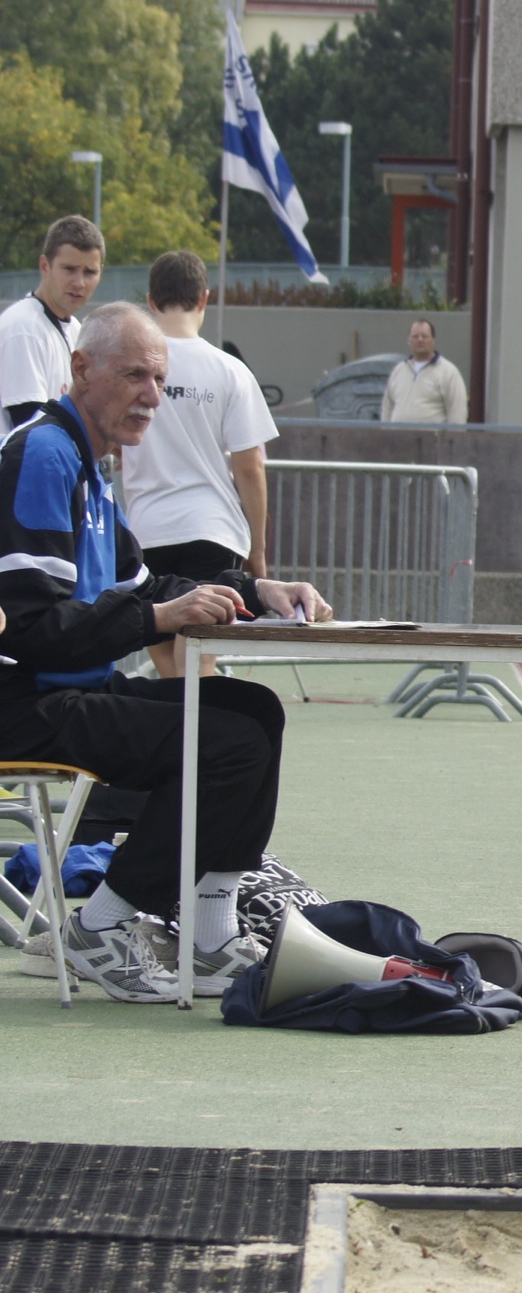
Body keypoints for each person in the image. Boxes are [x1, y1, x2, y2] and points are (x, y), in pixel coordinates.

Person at [0, 303, 331, 1003]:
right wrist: (154, 617)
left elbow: (147, 584)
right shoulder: (44, 455)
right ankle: (101, 926)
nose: (152, 396)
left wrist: (254, 588)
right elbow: (29, 628)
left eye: (159, 378)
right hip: (24, 703)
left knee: (254, 712)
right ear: (80, 370)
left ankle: (209, 935)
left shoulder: (91, 464)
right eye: (135, 376)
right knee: (226, 742)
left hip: (65, 690)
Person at [117, 252, 279, 679]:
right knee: (201, 654)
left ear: (150, 301)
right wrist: (258, 550)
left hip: (148, 526)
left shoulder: (132, 369)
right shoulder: (229, 370)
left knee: (167, 658)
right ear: (205, 298)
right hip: (212, 528)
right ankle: (202, 742)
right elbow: (249, 466)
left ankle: (182, 741)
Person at [0, 216, 104, 427]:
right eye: (69, 269)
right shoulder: (23, 329)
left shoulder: (76, 329)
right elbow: (30, 429)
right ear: (45, 266)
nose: (79, 282)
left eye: (90, 272)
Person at [378, 318, 468, 424]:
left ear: (433, 340)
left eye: (424, 336)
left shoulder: (449, 372)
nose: (420, 340)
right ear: (409, 341)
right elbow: (387, 408)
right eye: (415, 336)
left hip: (432, 440)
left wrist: (452, 439)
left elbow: (457, 413)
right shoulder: (398, 371)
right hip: (399, 439)